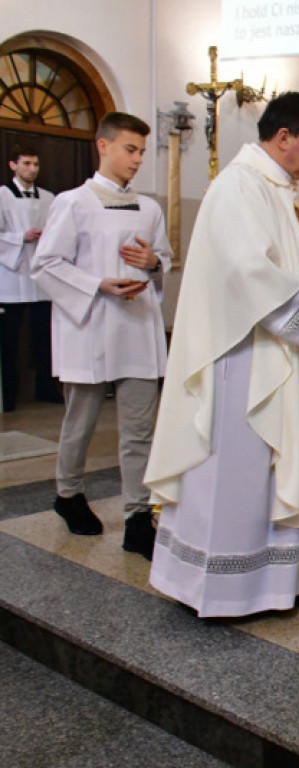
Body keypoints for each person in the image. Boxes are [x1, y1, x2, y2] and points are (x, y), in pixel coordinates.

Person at [143, 92, 299, 618]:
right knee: (237, 476)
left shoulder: (284, 190)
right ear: (283, 138)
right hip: (243, 359)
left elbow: (284, 265)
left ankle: (274, 583)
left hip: (281, 353)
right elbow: (246, 274)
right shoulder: (240, 186)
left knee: (269, 471)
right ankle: (222, 587)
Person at [30, 112, 172, 557]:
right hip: (90, 325)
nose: (137, 160)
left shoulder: (149, 208)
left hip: (136, 326)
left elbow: (164, 259)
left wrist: (153, 265)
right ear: (103, 146)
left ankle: (137, 517)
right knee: (82, 421)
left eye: (142, 152)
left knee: (139, 429)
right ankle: (68, 493)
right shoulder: (74, 202)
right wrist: (99, 285)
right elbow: (47, 264)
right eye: (130, 149)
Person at [0, 145, 60, 411]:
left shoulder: (49, 198)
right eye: (26, 164)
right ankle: (7, 395)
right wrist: (18, 237)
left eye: (35, 164)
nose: (32, 169)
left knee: (44, 338)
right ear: (13, 165)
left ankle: (46, 389)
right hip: (10, 276)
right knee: (8, 340)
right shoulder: (2, 196)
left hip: (40, 277)